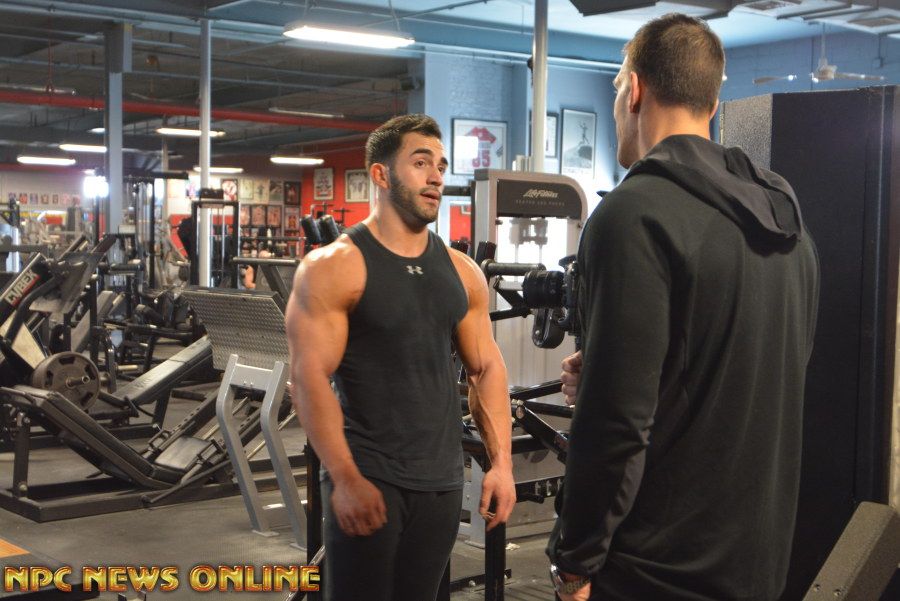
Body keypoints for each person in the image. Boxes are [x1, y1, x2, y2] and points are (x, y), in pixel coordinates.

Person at [546, 14, 820, 601]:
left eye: (616, 88)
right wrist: (611, 370)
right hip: (756, 563)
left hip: (653, 570)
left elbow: (618, 423)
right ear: (713, 103)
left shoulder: (633, 214)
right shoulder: (788, 225)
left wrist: (574, 560)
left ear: (634, 89)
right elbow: (754, 374)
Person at [285, 114, 516, 601]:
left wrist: (502, 466)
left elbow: (486, 368)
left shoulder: (461, 271)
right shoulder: (334, 267)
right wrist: (345, 477)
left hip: (441, 483)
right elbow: (309, 379)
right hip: (369, 477)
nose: (436, 177)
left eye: (441, 166)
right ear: (381, 174)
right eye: (420, 163)